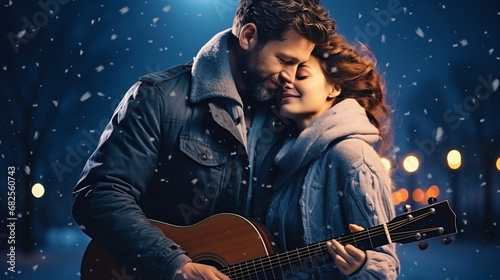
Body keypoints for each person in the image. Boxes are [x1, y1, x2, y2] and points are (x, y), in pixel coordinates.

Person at [72, 1, 335, 279]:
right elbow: (98, 196)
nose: (289, 78)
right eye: (284, 60)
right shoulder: (157, 98)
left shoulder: (284, 116)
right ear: (248, 36)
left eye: (299, 65)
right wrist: (174, 264)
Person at [265, 33, 400, 279]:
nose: (287, 81)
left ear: (334, 87)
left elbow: (386, 266)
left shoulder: (352, 155)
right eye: (283, 74)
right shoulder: (287, 158)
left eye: (302, 74)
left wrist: (363, 266)